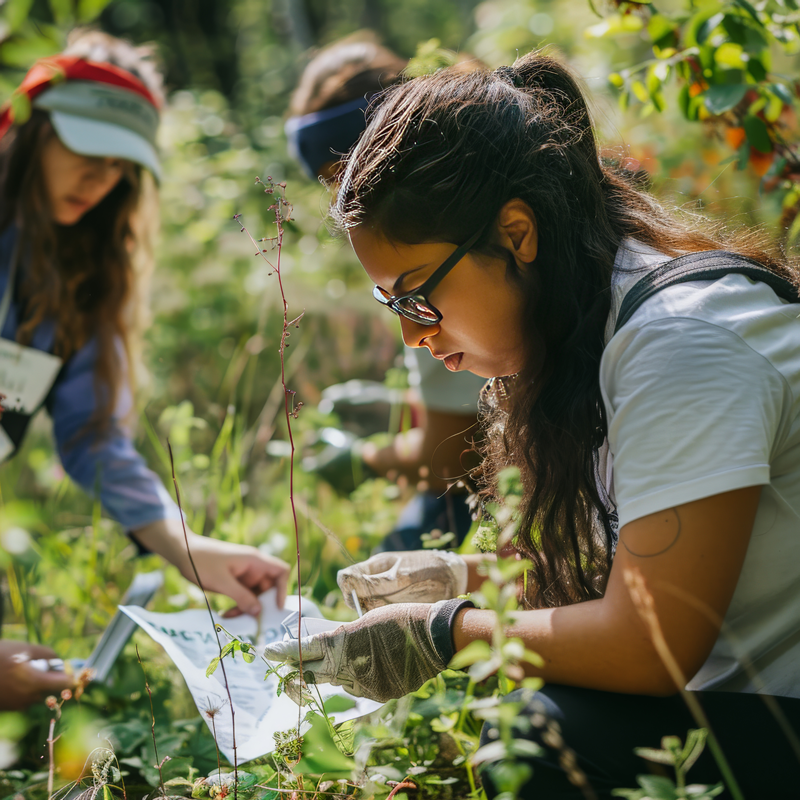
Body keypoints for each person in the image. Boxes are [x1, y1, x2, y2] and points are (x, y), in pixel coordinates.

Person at [264, 51, 800, 796]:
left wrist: (446, 630)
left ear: (517, 233)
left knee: (535, 733)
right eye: (393, 306)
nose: (412, 335)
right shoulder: (595, 319)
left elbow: (651, 646)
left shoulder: (681, 343)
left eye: (417, 296)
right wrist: (462, 579)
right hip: (740, 703)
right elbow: (644, 568)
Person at [0, 31, 289, 711]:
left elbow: (92, 435)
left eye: (121, 166)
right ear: (31, 129)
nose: (102, 180)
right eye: (87, 150)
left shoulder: (78, 275)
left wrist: (185, 546)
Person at [285, 36, 486, 550]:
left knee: (402, 552)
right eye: (332, 184)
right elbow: (494, 398)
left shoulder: (430, 266)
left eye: (347, 174)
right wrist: (401, 407)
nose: (345, 204)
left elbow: (455, 461)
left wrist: (365, 460)